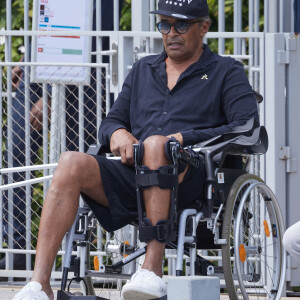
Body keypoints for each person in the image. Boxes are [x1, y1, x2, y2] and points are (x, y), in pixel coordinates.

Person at [12, 0, 258, 299]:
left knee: (157, 143)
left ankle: (151, 269)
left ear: (203, 27)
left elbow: (246, 126)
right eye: (164, 24)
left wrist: (182, 138)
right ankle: (40, 284)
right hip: (134, 173)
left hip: (191, 179)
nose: (171, 33)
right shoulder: (144, 68)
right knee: (70, 162)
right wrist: (117, 133)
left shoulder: (225, 70)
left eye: (181, 24)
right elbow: (112, 119)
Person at [1, 0, 122, 274]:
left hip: (84, 75)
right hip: (42, 64)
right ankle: (18, 251)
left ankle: (77, 257)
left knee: (78, 165)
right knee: (15, 154)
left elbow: (93, 35)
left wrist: (54, 95)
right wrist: (28, 57)